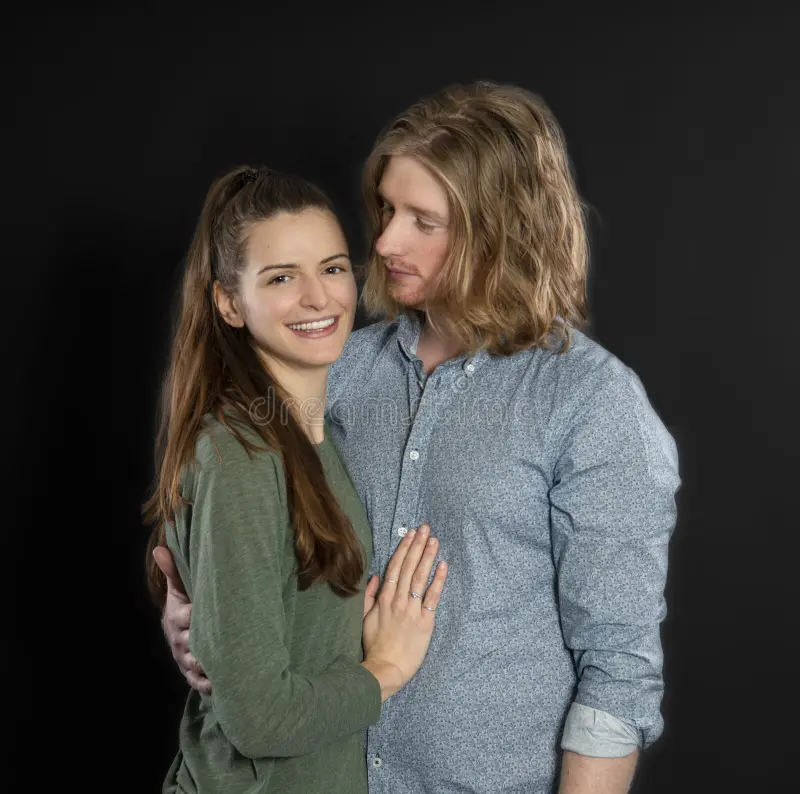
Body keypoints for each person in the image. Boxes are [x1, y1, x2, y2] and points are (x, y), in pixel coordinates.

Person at [157, 82, 681, 793]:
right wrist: (188, 606)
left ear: (501, 229)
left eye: (421, 220)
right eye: (386, 210)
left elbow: (618, 674)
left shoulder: (589, 403)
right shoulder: (336, 368)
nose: (382, 241)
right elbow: (223, 497)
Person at [142, 164, 449, 794]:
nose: (319, 297)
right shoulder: (240, 455)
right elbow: (259, 720)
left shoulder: (312, 435)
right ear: (229, 301)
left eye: (333, 268)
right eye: (282, 277)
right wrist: (384, 669)